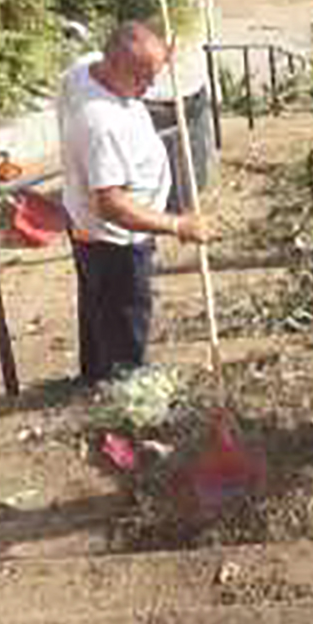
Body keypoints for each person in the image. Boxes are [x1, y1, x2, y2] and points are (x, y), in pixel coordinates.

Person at [58, 21, 208, 386]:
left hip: (85, 225)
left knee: (98, 311)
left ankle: (95, 378)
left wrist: (157, 57)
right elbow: (112, 204)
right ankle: (130, 395)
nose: (149, 88)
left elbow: (131, 48)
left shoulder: (85, 68)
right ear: (117, 68)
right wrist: (176, 225)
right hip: (116, 240)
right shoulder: (100, 123)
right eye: (142, 79)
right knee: (125, 315)